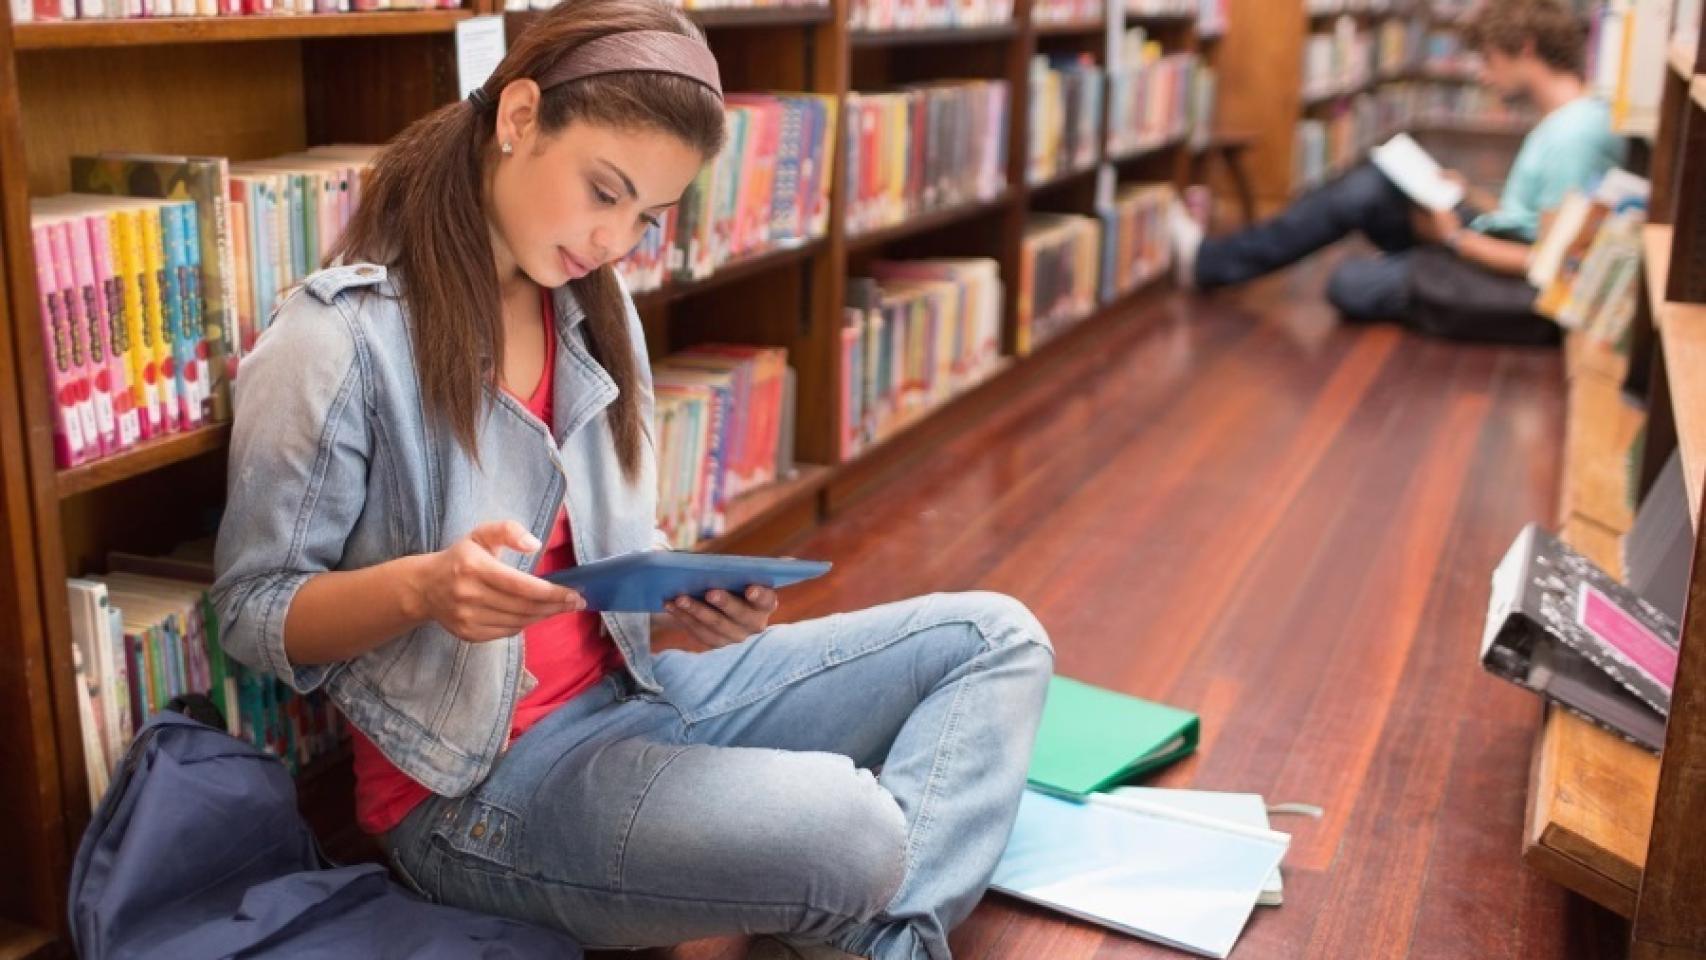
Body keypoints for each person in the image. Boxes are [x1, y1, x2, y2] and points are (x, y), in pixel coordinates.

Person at [208, 2, 1055, 958]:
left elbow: (589, 594)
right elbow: (252, 611)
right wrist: (426, 588)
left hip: (642, 695)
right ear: (518, 117)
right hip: (477, 794)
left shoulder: (591, 309)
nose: (615, 241)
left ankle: (874, 934)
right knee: (855, 834)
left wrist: (677, 609)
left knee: (997, 639)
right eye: (602, 192)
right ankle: (859, 912)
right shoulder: (336, 339)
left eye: (645, 218)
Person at [1169, 0, 1627, 344]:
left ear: (1526, 50)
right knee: (1370, 186)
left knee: (1349, 283)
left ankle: (1211, 262)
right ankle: (1210, 261)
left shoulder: (1574, 136)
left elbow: (1547, 262)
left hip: (1501, 265)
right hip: (1493, 236)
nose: (1484, 77)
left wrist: (1453, 239)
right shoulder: (1569, 118)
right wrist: (1470, 194)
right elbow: (1527, 216)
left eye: (1489, 60)